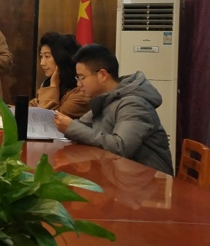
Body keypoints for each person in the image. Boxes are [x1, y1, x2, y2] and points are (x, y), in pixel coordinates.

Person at [53, 43, 173, 175]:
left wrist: (71, 127)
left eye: (82, 77)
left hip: (148, 181)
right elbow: (82, 126)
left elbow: (120, 147)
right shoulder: (106, 99)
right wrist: (67, 125)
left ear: (102, 75)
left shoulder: (134, 104)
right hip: (121, 176)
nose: (78, 84)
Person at [30, 32, 88, 119]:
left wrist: (53, 86)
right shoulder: (48, 84)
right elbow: (29, 110)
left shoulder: (81, 94)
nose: (42, 63)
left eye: (47, 56)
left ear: (62, 58)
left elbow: (46, 120)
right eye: (41, 56)